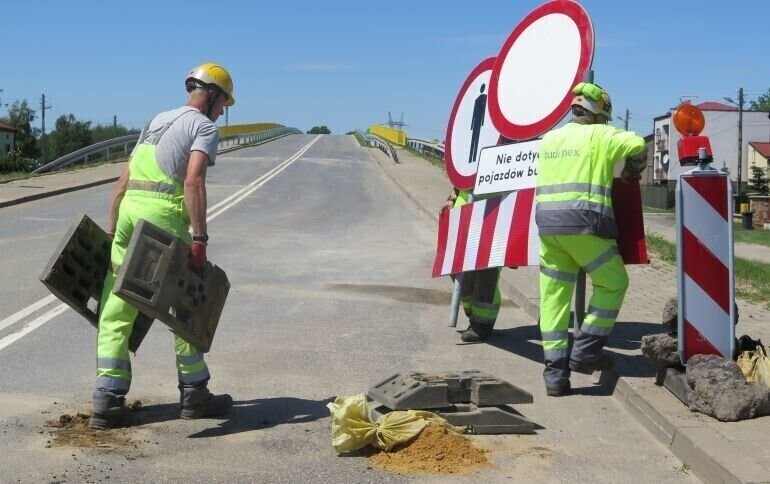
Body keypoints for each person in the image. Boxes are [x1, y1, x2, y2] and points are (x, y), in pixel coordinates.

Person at [90, 63, 236, 429]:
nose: (222, 112)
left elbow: (125, 177)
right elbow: (193, 181)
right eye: (224, 104)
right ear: (213, 95)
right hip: (162, 217)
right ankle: (194, 393)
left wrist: (112, 222)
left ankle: (107, 399)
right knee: (185, 302)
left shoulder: (157, 120)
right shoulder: (203, 127)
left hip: (128, 213)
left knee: (118, 300)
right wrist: (200, 238)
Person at [535, 82, 646, 396]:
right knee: (613, 283)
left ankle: (555, 377)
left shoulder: (550, 139)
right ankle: (585, 353)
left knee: (553, 300)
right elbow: (638, 143)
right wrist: (632, 170)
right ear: (600, 113)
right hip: (586, 226)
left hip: (548, 228)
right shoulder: (601, 135)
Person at [441, 188, 502, 343]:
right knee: (458, 269)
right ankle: (472, 315)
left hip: (494, 212)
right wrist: (452, 199)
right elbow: (462, 174)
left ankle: (482, 324)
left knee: (486, 272)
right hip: (464, 212)